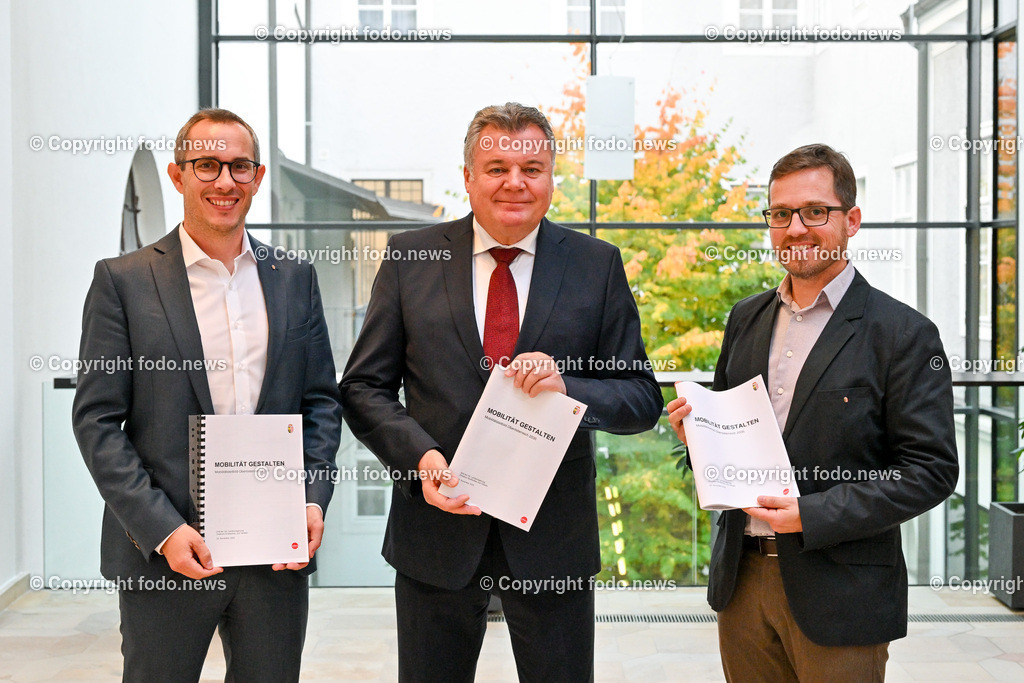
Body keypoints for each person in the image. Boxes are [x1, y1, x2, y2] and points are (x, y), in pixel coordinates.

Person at [340, 102, 662, 681]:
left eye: (532, 168)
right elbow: (364, 387)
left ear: (551, 179)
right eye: (496, 168)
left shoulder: (596, 265)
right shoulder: (412, 258)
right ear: (468, 177)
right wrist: (421, 461)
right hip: (435, 535)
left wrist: (571, 387)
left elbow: (641, 397)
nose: (515, 182)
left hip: (552, 542)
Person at [667, 144, 959, 681]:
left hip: (841, 592)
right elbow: (729, 435)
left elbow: (931, 471)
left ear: (851, 221)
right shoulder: (745, 318)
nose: (796, 228)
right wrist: (698, 438)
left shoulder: (903, 334)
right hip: (742, 583)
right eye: (781, 214)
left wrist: (813, 513)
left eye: (814, 212)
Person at [72, 108, 342, 682]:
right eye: (207, 165)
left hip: (274, 554)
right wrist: (164, 531)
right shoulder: (123, 281)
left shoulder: (294, 277)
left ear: (258, 175)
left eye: (239, 166)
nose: (225, 181)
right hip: (167, 554)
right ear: (177, 175)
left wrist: (313, 500)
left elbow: (321, 402)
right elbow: (97, 421)